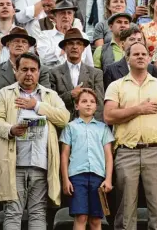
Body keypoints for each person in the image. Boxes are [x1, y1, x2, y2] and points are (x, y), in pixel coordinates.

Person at [103, 42, 157, 230]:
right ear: (127, 58)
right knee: (125, 210)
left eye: (144, 54)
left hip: (156, 151)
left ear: (149, 58)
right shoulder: (116, 86)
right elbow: (108, 116)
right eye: (135, 54)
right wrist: (139, 109)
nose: (140, 57)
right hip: (126, 152)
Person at [0, 52, 70, 229]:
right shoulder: (5, 94)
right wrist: (11, 129)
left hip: (41, 164)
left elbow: (64, 118)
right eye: (24, 69)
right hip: (14, 163)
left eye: (33, 70)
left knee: (38, 213)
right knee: (12, 213)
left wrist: (37, 106)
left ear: (39, 72)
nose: (29, 73)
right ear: (15, 71)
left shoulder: (50, 95)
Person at [60, 89, 114, 230]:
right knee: (81, 216)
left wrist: (108, 179)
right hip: (77, 177)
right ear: (77, 105)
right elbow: (65, 155)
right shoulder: (70, 127)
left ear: (96, 106)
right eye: (84, 101)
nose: (88, 105)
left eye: (92, 102)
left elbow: (108, 155)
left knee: (96, 219)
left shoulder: (103, 128)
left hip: (98, 177)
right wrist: (65, 180)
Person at [50, 27, 104, 121]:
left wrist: (94, 127)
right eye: (70, 43)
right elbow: (51, 103)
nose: (75, 47)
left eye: (79, 44)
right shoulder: (53, 73)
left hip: (88, 126)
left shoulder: (96, 74)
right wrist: (71, 94)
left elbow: (99, 105)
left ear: (83, 48)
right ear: (64, 48)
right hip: (62, 124)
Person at [0, 27, 51, 99]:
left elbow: (46, 94)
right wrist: (18, 96)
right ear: (8, 45)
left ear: (28, 47)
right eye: (16, 41)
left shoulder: (42, 70)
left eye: (24, 42)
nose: (20, 45)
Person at [37, 0, 94, 68]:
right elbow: (44, 58)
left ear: (73, 17)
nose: (66, 16)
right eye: (62, 13)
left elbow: (89, 64)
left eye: (69, 13)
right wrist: (66, 48)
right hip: (53, 77)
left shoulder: (83, 36)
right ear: (54, 17)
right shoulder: (44, 36)